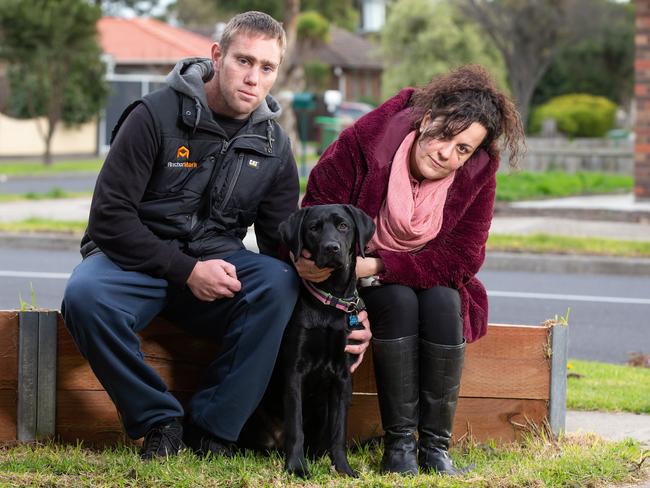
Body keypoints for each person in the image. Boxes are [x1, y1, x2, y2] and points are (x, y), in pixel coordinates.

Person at [61, 11, 371, 461]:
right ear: (217, 56)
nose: (253, 78)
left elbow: (282, 245)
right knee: (85, 296)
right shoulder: (154, 116)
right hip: (135, 262)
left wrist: (349, 310)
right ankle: (159, 421)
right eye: (244, 61)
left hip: (219, 264)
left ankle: (213, 430)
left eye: (266, 68)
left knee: (276, 282)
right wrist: (186, 270)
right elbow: (109, 219)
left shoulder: (273, 145)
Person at [297, 65, 525, 475]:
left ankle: (435, 448)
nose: (446, 154)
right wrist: (354, 270)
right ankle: (399, 447)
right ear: (427, 117)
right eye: (444, 135)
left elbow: (461, 259)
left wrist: (382, 263)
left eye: (463, 149)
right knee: (399, 300)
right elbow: (317, 209)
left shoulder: (476, 174)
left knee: (444, 301)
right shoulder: (366, 142)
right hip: (350, 281)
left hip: (411, 273)